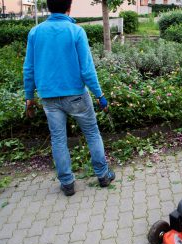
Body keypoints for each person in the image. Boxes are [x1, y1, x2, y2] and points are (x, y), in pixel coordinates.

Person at [23, 0, 115, 196]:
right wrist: (100, 95)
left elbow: (28, 69)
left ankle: (67, 184)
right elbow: (87, 70)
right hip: (76, 96)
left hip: (49, 97)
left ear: (48, 7)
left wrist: (29, 97)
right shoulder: (76, 31)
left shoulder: (35, 33)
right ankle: (103, 175)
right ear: (69, 7)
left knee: (58, 139)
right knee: (91, 133)